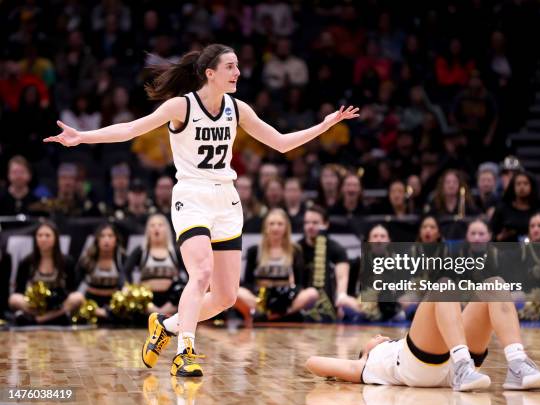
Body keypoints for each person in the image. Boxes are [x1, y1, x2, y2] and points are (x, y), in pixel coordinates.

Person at [45, 43, 359, 377]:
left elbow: (281, 143)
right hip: (191, 197)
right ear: (210, 73)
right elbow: (130, 129)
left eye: (238, 66)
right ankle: (185, 351)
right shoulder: (181, 106)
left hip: (226, 200)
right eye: (230, 67)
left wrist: (324, 125)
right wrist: (81, 137)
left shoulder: (237, 109)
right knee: (202, 274)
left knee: (224, 297)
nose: (238, 72)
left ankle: (166, 326)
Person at [306, 300, 540, 391]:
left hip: (444, 360)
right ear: (366, 350)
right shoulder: (366, 364)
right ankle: (463, 366)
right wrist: (357, 364)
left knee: (494, 284)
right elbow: (312, 363)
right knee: (442, 286)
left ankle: (518, 363)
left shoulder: (399, 343)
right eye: (374, 338)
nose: (379, 335)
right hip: (419, 368)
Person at [237, 209, 317, 324]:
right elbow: (248, 282)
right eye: (272, 224)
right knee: (237, 292)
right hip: (260, 296)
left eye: (280, 224)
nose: (275, 228)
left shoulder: (295, 250)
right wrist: (259, 298)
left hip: (285, 296)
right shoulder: (254, 250)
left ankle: (271, 316)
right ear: (266, 227)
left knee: (312, 293)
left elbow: (300, 284)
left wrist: (289, 295)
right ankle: (265, 313)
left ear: (286, 228)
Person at [9, 221, 78, 325]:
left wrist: (58, 298)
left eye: (47, 235)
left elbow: (72, 289)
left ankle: (38, 320)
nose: (43, 239)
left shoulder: (67, 261)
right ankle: (40, 317)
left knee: (78, 297)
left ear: (56, 238)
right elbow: (19, 290)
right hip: (33, 306)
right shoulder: (27, 261)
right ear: (35, 238)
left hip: (57, 306)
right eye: (40, 235)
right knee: (14, 299)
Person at [124, 214, 184, 316]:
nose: (156, 228)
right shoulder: (141, 251)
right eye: (152, 225)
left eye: (160, 225)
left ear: (167, 229)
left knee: (181, 288)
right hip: (147, 303)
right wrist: (128, 287)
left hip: (171, 302)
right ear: (147, 230)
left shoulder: (175, 251)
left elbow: (190, 273)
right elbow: (125, 271)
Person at [68, 223, 126, 320]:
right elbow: (75, 283)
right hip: (91, 302)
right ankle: (102, 314)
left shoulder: (121, 258)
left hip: (113, 303)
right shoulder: (87, 259)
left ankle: (106, 314)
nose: (106, 239)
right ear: (97, 240)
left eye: (110, 236)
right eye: (102, 236)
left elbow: (125, 280)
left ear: (116, 240)